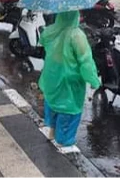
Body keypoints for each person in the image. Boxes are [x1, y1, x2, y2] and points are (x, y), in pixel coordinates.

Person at [38, 10, 101, 147]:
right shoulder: (76, 35)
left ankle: (52, 132)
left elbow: (42, 42)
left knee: (53, 102)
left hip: (51, 76)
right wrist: (93, 80)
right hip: (69, 80)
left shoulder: (50, 31)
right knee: (68, 108)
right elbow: (86, 62)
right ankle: (64, 141)